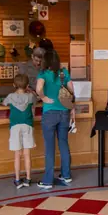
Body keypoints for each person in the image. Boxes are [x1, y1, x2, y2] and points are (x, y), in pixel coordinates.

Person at [36, 49, 74, 189]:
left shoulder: (43, 73)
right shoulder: (64, 73)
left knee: (49, 147)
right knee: (63, 143)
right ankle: (66, 175)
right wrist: (72, 109)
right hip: (64, 112)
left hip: (49, 113)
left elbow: (38, 88)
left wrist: (44, 98)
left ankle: (47, 180)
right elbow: (71, 92)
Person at [2, 74, 36, 189]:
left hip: (15, 127)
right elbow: (36, 100)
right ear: (27, 86)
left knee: (17, 155)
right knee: (27, 154)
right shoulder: (30, 96)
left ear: (13, 85)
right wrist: (30, 90)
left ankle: (17, 179)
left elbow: (4, 103)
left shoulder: (10, 96)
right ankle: (28, 178)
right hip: (28, 125)